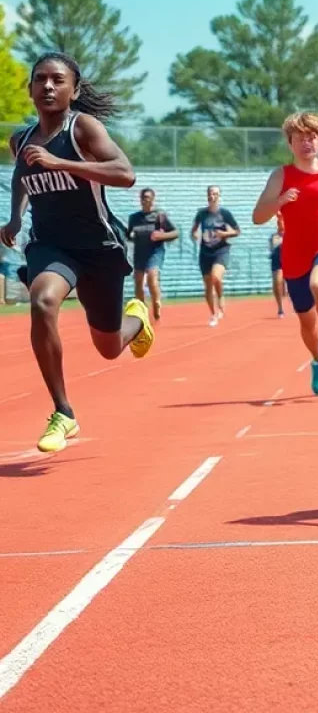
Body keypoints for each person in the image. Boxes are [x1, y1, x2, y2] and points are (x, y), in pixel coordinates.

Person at [1, 52, 154, 453]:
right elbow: (21, 173)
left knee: (109, 347)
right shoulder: (22, 139)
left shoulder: (83, 128)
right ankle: (64, 412)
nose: (48, 86)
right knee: (42, 299)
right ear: (31, 89)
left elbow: (125, 173)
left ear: (74, 89)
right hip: (51, 246)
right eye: (40, 80)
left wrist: (62, 162)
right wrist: (16, 218)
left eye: (57, 80)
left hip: (98, 248)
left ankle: (136, 321)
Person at [253, 111, 318, 395]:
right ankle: (317, 360)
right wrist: (279, 200)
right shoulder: (282, 176)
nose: (306, 143)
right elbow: (258, 216)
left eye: (311, 137)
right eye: (299, 138)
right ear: (290, 144)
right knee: (305, 320)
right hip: (294, 255)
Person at [191, 185, 240, 327]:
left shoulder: (225, 214)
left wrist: (225, 234)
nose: (213, 196)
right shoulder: (202, 214)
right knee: (207, 285)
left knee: (216, 277)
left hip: (221, 250)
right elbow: (194, 229)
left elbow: (237, 231)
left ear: (219, 196)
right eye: (210, 193)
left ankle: (220, 297)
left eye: (215, 194)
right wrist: (194, 234)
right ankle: (213, 314)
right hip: (205, 252)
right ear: (207, 196)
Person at [127, 187, 178, 322]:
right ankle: (142, 311)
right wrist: (131, 236)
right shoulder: (134, 218)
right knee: (138, 282)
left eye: (148, 197)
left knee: (151, 278)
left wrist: (162, 235)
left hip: (155, 252)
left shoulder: (159, 216)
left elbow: (175, 233)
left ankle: (156, 302)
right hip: (139, 252)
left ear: (153, 199)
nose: (145, 200)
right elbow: (128, 235)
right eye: (143, 198)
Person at [270, 214, 285, 317]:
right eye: (278, 222)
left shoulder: (292, 234)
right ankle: (280, 307)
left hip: (290, 261)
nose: (279, 223)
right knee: (277, 282)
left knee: (284, 284)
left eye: (281, 221)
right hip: (277, 261)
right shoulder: (274, 237)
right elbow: (273, 248)